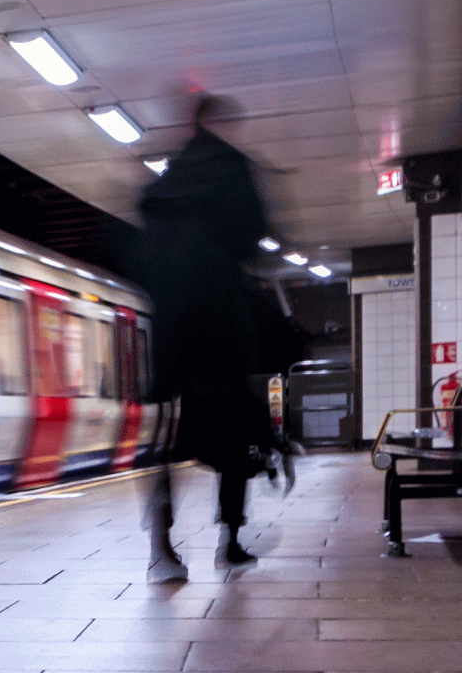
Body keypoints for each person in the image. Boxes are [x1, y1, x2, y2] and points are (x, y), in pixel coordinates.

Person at [135, 93, 279, 583]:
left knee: (166, 446)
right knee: (234, 443)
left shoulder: (164, 184)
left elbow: (143, 256)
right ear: (217, 123)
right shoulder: (233, 170)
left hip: (173, 334)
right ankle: (231, 542)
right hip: (219, 331)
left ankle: (161, 546)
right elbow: (254, 236)